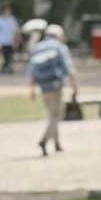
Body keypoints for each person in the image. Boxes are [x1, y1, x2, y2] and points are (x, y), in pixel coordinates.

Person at [27, 23, 77, 157]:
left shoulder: (37, 47)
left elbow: (31, 71)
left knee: (52, 115)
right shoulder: (59, 47)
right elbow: (69, 69)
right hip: (56, 85)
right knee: (57, 115)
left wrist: (31, 89)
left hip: (43, 86)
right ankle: (44, 140)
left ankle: (57, 143)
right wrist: (74, 86)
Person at [0, 5, 20, 74]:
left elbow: (16, 31)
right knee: (5, 56)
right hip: (2, 41)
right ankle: (6, 68)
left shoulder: (12, 20)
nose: (7, 13)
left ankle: (7, 68)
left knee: (10, 56)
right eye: (6, 11)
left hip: (10, 41)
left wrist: (16, 41)